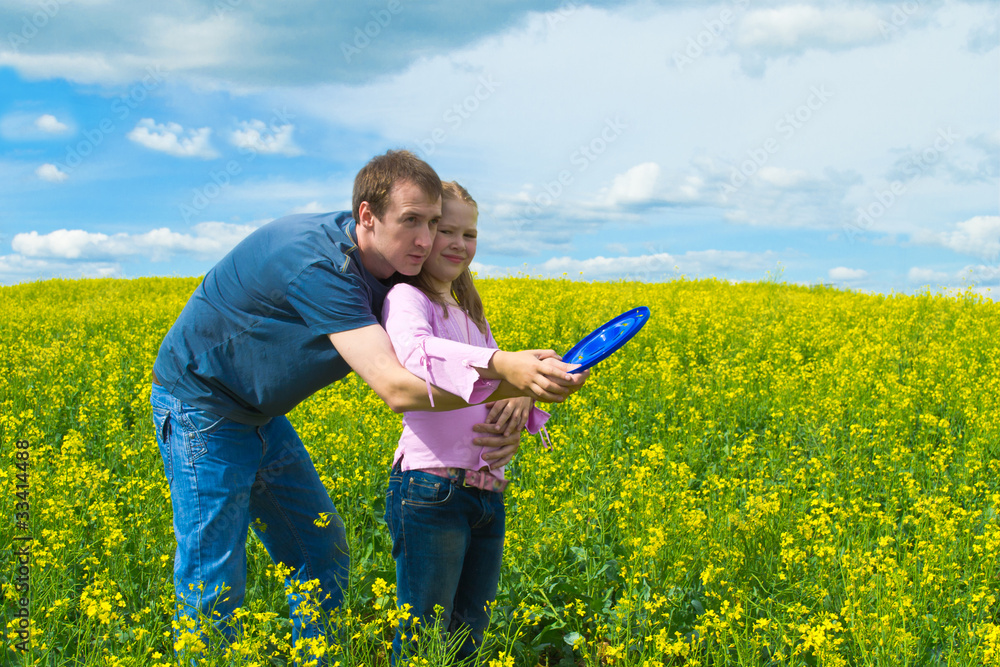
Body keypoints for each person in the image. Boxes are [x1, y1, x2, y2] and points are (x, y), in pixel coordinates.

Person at [149, 150, 588, 661]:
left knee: (321, 552)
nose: (425, 241)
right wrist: (508, 378)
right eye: (411, 223)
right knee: (214, 575)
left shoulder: (395, 271)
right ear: (367, 216)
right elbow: (398, 388)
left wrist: (516, 391)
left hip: (260, 413)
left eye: (433, 223)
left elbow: (440, 346)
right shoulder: (322, 266)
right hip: (200, 403)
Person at [382, 182, 552, 665]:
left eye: (469, 233)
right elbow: (418, 356)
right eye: (444, 229)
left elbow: (498, 389)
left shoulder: (472, 313)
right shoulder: (406, 298)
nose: (458, 243)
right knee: (423, 638)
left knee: (467, 637)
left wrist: (522, 404)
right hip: (431, 489)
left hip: (486, 494)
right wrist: (502, 365)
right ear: (422, 236)